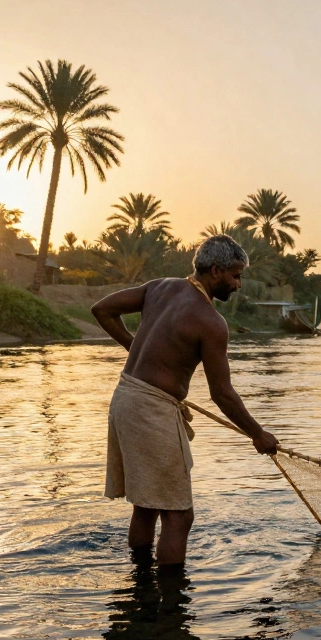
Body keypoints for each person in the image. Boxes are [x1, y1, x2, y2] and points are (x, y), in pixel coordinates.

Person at [91, 235, 280, 567]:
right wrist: (257, 434)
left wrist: (134, 347)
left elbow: (102, 310)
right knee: (179, 516)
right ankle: (171, 605)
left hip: (125, 397)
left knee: (147, 504)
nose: (238, 284)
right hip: (151, 410)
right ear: (216, 270)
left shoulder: (160, 287)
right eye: (235, 276)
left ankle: (141, 583)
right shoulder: (211, 322)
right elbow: (222, 395)